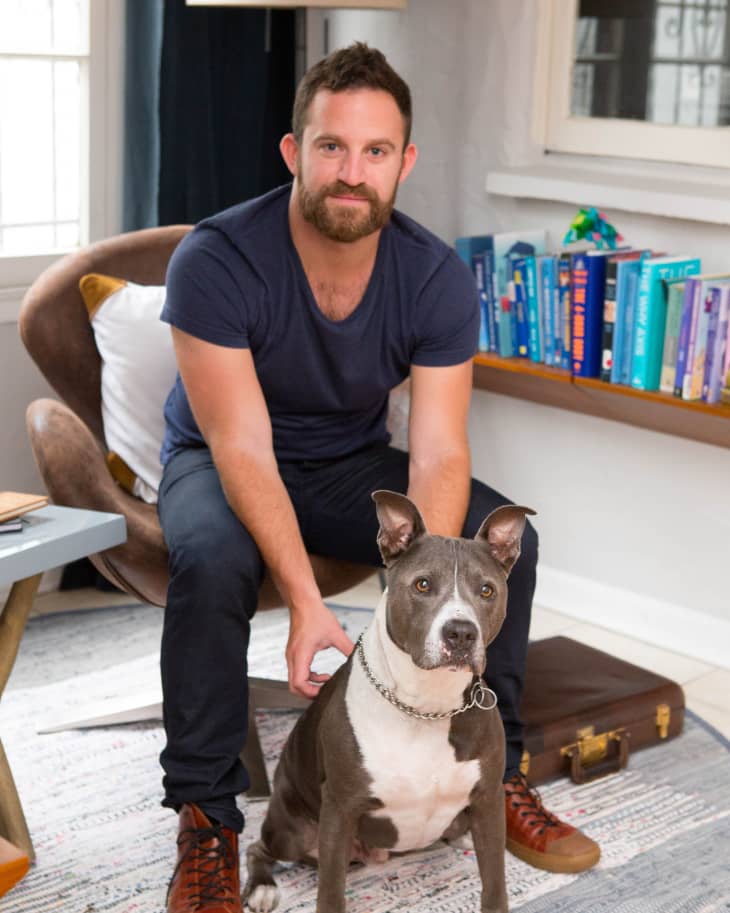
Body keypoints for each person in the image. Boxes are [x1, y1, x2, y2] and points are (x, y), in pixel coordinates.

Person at [158, 42, 599, 913]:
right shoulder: (215, 260)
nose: (351, 173)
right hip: (220, 457)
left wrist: (423, 601)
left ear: (405, 162)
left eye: (375, 151)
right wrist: (308, 604)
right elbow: (242, 446)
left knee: (513, 538)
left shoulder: (433, 277)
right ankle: (207, 820)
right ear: (293, 152)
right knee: (210, 560)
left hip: (349, 464)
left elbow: (437, 452)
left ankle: (490, 775)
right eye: (331, 147)